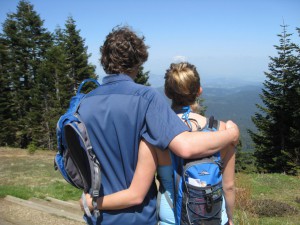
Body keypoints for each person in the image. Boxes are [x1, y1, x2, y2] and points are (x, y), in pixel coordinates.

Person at [78, 25, 239, 225]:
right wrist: (232, 135)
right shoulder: (146, 101)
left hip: (105, 215)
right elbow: (187, 148)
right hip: (143, 216)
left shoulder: (82, 103)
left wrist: (93, 200)